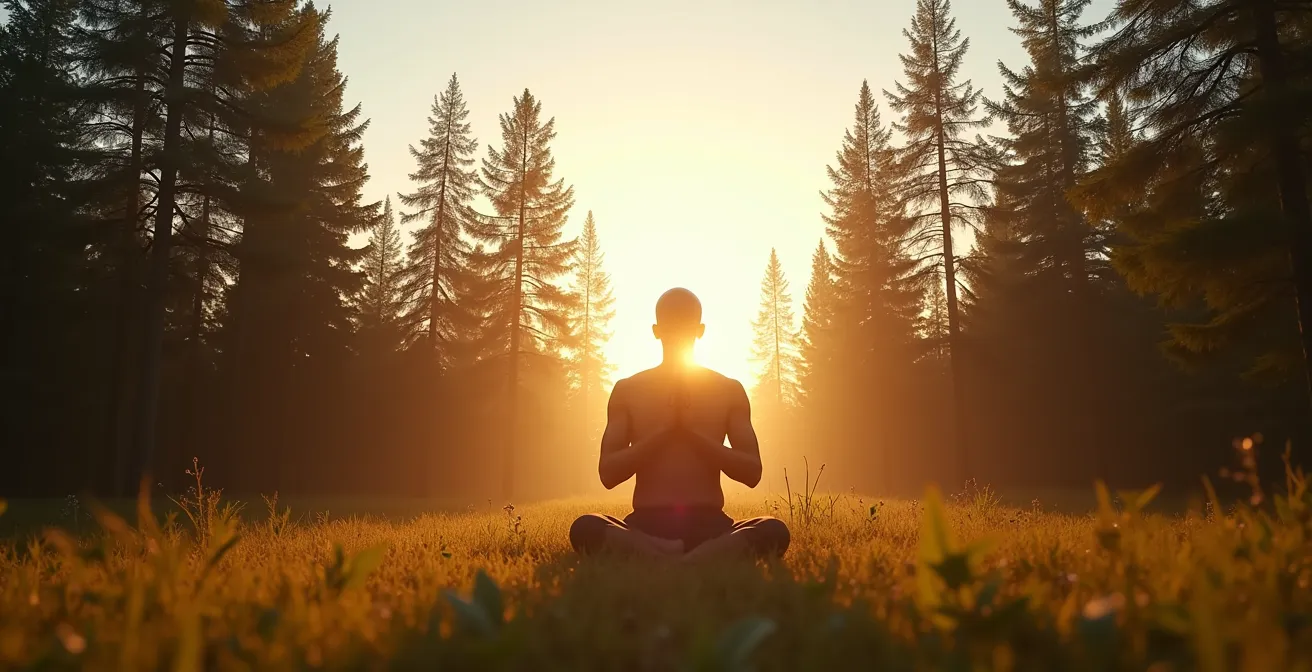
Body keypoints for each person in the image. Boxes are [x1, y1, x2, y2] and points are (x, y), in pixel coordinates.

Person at [569, 288, 790, 560]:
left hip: (710, 525)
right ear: (658, 330)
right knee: (585, 526)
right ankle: (697, 558)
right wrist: (663, 432)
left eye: (682, 328)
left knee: (774, 529)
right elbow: (608, 473)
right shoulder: (628, 390)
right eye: (673, 328)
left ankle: (662, 557)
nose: (677, 336)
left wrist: (692, 434)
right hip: (647, 525)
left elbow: (752, 472)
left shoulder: (728, 390)